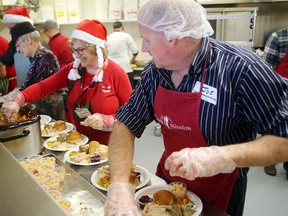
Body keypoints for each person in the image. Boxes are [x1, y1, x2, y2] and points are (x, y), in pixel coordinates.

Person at [104, 1, 288, 216]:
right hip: (169, 179)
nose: (143, 48)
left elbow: (283, 139)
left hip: (223, 190)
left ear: (174, 38)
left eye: (146, 39)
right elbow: (126, 122)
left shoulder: (242, 69)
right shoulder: (155, 72)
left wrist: (221, 156)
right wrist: (118, 186)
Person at [2, 19, 132, 144]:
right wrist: (19, 99)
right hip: (79, 141)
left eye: (81, 50)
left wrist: (108, 121)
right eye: (74, 50)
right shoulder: (73, 70)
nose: (76, 55)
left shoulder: (116, 74)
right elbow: (43, 86)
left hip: (111, 144)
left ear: (96, 48)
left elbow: (131, 112)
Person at [8, 21, 65, 121]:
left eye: (18, 45)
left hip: (51, 113)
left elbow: (30, 86)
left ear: (28, 40)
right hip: (47, 111)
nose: (18, 50)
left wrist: (12, 98)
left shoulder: (42, 56)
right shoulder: (38, 55)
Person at [262, 28, 288, 178]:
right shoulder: (277, 37)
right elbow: (266, 68)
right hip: (280, 93)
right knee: (274, 125)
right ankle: (270, 160)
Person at [106, 21, 138, 88]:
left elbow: (104, 54)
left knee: (114, 90)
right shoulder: (126, 36)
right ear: (122, 27)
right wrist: (133, 60)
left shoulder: (108, 38)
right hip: (125, 68)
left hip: (112, 69)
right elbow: (135, 51)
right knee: (128, 91)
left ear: (113, 28)